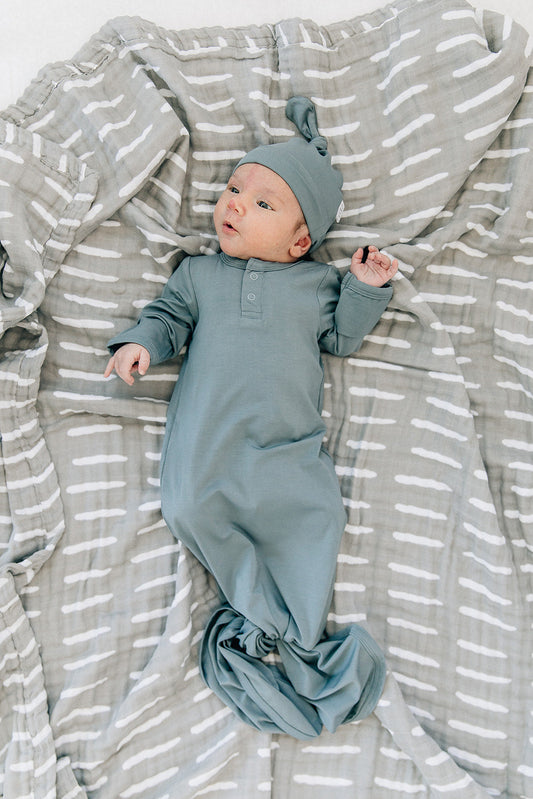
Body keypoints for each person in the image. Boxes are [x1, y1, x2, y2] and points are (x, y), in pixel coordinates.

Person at [105, 96, 398, 740]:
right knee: (188, 507)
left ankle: (295, 630)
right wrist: (141, 345)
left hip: (288, 451)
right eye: (234, 190)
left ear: (301, 241)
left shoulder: (316, 286)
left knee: (318, 520)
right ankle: (261, 615)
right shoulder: (199, 275)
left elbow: (343, 337)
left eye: (263, 203)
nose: (234, 205)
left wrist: (364, 288)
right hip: (208, 447)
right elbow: (167, 318)